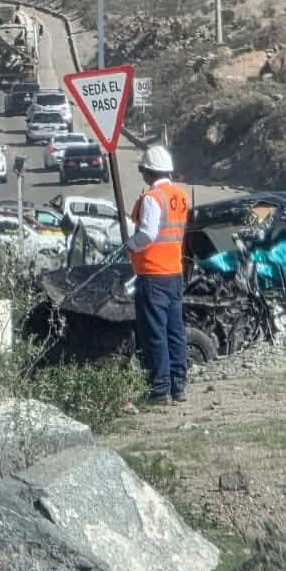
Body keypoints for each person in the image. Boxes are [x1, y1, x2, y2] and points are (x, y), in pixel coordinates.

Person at [126, 144, 191, 406]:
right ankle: (178, 386)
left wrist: (131, 244)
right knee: (175, 331)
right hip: (174, 272)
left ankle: (160, 390)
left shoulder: (153, 198)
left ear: (149, 172)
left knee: (155, 332)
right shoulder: (180, 196)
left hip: (153, 274)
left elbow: (149, 234)